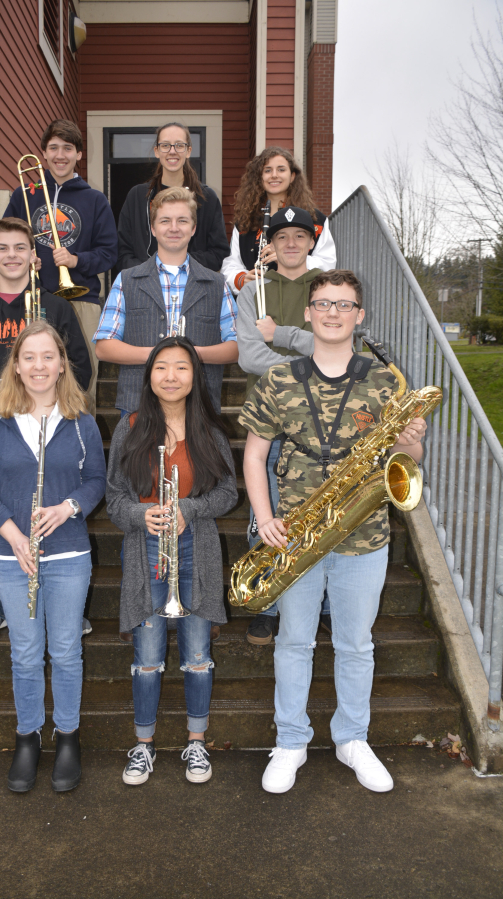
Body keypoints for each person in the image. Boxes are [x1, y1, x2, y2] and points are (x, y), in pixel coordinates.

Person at [238, 270, 427, 795]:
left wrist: (412, 441)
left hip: (365, 533)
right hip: (296, 533)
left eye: (344, 304)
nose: (332, 312)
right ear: (308, 313)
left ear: (359, 315)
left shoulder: (386, 381)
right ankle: (292, 741)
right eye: (323, 303)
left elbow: (408, 458)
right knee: (294, 643)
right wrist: (266, 517)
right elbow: (254, 455)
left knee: (356, 645)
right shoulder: (278, 379)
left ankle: (352, 739)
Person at [0, 320, 106, 793]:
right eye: (29, 357)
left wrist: (68, 507)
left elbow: (95, 483)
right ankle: (27, 737)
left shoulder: (81, 420)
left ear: (61, 363)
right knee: (26, 654)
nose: (39, 366)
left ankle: (67, 737)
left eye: (48, 356)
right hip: (14, 557)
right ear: (17, 365)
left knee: (66, 651)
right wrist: (12, 535)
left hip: (68, 553)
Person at [0, 217, 92, 644]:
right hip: (1, 429)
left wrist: (54, 402)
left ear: (34, 256)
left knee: (56, 512)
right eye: (2, 248)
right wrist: (2, 407)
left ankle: (66, 606)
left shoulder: (57, 307)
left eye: (20, 248)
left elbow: (79, 366)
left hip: (53, 426)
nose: (12, 256)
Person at [105, 336, 238, 785]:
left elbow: (227, 494)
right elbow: (114, 499)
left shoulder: (211, 431)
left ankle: (196, 743)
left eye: (181, 367)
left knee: (198, 656)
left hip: (195, 549)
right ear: (149, 376)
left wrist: (189, 509)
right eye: (162, 367)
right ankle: (143, 747)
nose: (171, 376)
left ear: (194, 376)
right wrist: (145, 514)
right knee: (146, 658)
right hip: (146, 553)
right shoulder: (131, 427)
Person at [236, 206, 322, 645]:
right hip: (268, 419)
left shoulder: (325, 286)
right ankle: (267, 601)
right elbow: (249, 357)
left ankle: (319, 600)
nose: (290, 243)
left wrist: (283, 336)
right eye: (282, 235)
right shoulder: (255, 290)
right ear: (269, 244)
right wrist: (310, 363)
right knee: (265, 512)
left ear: (311, 241)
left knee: (323, 508)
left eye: (299, 235)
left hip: (325, 420)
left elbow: (341, 342)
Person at [4, 119, 118, 416]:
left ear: (79, 154)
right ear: (43, 153)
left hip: (82, 301)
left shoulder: (95, 200)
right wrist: (24, 256)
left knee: (83, 377)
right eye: (53, 148)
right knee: (32, 376)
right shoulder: (24, 195)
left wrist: (76, 260)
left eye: (68, 148)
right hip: (36, 300)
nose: (60, 155)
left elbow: (109, 254)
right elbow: (7, 238)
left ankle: (81, 451)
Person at [94, 186, 238, 417]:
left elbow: (237, 347)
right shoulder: (127, 280)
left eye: (182, 220)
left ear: (193, 228)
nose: (173, 228)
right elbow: (104, 346)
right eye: (165, 221)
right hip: (138, 405)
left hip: (199, 408)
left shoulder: (216, 283)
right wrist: (159, 355)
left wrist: (189, 355)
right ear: (152, 228)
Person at [221, 146, 336, 295]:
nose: (274, 175)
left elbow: (327, 264)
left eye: (281, 169)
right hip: (257, 300)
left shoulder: (316, 220)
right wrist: (241, 279)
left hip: (300, 299)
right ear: (259, 177)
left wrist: (291, 258)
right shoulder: (245, 222)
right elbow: (231, 263)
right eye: (267, 170)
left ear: (292, 176)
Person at [117, 122, 229, 272]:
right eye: (165, 145)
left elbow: (218, 253)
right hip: (144, 287)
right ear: (157, 151)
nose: (172, 151)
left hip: (193, 287)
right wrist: (150, 272)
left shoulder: (207, 198)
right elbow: (122, 252)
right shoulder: (137, 197)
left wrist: (177, 266)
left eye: (179, 145)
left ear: (188, 151)